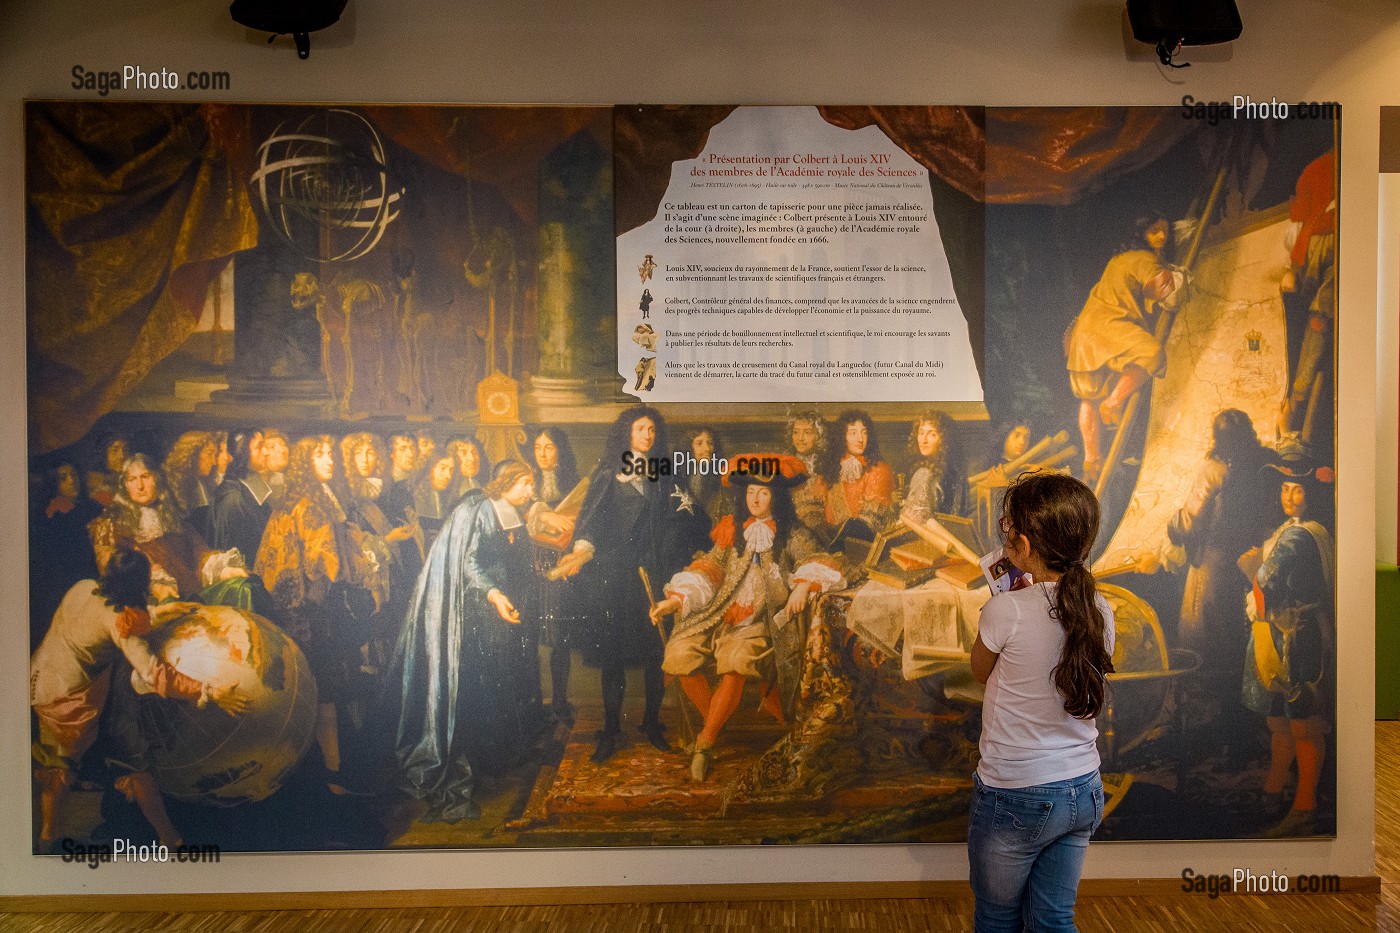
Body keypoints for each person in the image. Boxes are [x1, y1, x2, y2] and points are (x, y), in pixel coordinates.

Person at [968, 472, 1116, 931]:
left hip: (1016, 792)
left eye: (1008, 528)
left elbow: (979, 670)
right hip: (1082, 787)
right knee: (1054, 919)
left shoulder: (1004, 609)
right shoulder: (1100, 608)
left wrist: (1011, 602)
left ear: (1024, 544)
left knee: (997, 919)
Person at [30, 547, 249, 849]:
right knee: (113, 765)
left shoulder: (83, 587)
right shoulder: (123, 625)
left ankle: (46, 839)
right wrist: (207, 690)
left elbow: (98, 618)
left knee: (60, 766)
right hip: (69, 699)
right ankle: (171, 840)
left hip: (40, 680)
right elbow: (155, 674)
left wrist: (160, 612)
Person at [649, 457, 843, 781]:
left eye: (763, 493)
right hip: (719, 612)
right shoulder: (732, 529)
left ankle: (706, 742)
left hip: (763, 621)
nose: (755, 499)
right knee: (679, 655)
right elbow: (709, 568)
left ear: (775, 498)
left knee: (735, 660)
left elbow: (822, 560)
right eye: (751, 491)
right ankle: (720, 719)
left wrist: (805, 584)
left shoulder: (791, 533)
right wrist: (674, 600)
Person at [385, 460, 542, 822]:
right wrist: (495, 595)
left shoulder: (509, 512)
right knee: (469, 691)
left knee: (499, 686)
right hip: (474, 613)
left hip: (501, 613)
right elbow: (470, 565)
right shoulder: (480, 511)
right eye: (525, 483)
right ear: (506, 483)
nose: (530, 491)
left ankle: (494, 760)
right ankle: (459, 779)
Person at [553, 407, 711, 764]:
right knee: (615, 659)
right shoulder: (609, 475)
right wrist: (582, 549)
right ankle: (610, 730)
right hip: (617, 579)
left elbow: (685, 519)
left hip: (655, 577)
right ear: (627, 434)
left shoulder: (667, 476)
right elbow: (591, 522)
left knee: (658, 654)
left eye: (652, 429)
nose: (648, 435)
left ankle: (651, 724)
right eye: (641, 428)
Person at [255, 435, 391, 793]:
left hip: (301, 611)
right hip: (310, 615)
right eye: (319, 455)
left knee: (320, 696)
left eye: (330, 454)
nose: (329, 460)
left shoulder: (306, 500)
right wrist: (363, 567)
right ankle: (332, 778)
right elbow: (329, 565)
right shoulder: (310, 506)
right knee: (323, 697)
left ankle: (331, 775)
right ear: (304, 463)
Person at [1166, 409, 1279, 760]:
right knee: (1243, 643)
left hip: (1213, 567)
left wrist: (1172, 524)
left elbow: (1188, 523)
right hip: (1249, 564)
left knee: (1210, 646)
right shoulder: (1263, 467)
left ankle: (1221, 733)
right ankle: (1242, 730)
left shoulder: (1214, 471)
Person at [1238, 450, 1335, 836]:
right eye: (1286, 488)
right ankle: (1274, 788)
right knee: (1278, 719)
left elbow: (1265, 582)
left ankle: (1305, 805)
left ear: (1313, 492)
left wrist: (1249, 569)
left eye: (1299, 489)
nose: (1291, 496)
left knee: (1304, 724)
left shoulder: (1298, 535)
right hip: (1278, 632)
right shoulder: (1289, 529)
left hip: (1299, 635)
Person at [1065, 221, 1185, 484]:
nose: (1162, 236)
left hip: (1084, 333)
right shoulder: (1143, 258)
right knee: (1153, 354)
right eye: (1154, 231)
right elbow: (1170, 296)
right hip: (1109, 327)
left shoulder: (1117, 259)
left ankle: (1091, 457)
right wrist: (1180, 276)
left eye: (1165, 230)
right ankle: (1115, 402)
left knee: (1088, 397)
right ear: (1141, 234)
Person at [88, 454, 248, 603]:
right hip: (152, 602)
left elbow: (200, 553)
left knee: (244, 587)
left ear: (156, 479)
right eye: (132, 479)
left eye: (145, 477)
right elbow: (116, 573)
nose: (140, 486)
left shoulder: (171, 516)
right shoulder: (112, 525)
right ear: (125, 485)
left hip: (195, 594)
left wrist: (223, 570)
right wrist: (155, 586)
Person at [527, 426, 583, 725]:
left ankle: (559, 700)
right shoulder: (525, 482)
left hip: (560, 567)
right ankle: (534, 702)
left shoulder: (573, 482)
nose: (543, 453)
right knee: (529, 637)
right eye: (538, 447)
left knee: (558, 638)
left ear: (559, 449)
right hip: (529, 568)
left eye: (548, 447)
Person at [30, 462, 102, 641]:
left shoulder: (87, 506)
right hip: (74, 581)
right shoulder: (56, 514)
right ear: (54, 484)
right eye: (63, 478)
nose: (72, 481)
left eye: (74, 475)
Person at [818, 409, 895, 533]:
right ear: (842, 437)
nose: (860, 439)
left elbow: (871, 521)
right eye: (853, 433)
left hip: (863, 540)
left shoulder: (879, 469)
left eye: (864, 433)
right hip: (829, 540)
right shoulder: (830, 469)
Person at [901, 409, 969, 524]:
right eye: (921, 433)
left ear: (944, 439)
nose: (924, 440)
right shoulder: (925, 473)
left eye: (932, 434)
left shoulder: (946, 473)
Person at [162, 431, 220, 541]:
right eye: (209, 454)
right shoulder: (174, 485)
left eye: (215, 455)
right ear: (192, 455)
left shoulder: (205, 484)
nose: (214, 462)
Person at [782, 409, 830, 536]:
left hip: (823, 528)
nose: (800, 438)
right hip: (791, 528)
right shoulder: (784, 464)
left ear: (818, 435)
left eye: (807, 433)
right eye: (796, 432)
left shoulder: (828, 465)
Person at [682, 426, 733, 524]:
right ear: (688, 447)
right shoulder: (680, 474)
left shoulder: (722, 474)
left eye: (710, 443)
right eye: (699, 443)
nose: (707, 449)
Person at [448, 437, 489, 502]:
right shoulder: (447, 489)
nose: (472, 459)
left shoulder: (477, 484)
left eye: (475, 452)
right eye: (463, 453)